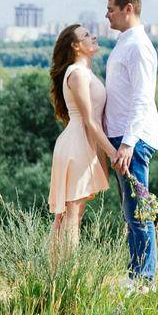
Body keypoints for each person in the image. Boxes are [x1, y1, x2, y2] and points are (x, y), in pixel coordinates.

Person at [102, 0, 158, 288]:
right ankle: (137, 274)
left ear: (128, 9)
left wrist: (127, 144)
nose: (107, 15)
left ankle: (144, 280)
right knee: (130, 211)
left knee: (139, 211)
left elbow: (142, 98)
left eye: (111, 9)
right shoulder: (125, 42)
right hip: (123, 139)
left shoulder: (138, 46)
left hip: (132, 141)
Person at [47, 23, 114, 259]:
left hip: (84, 144)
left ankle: (56, 274)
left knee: (72, 214)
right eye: (86, 35)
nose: (93, 36)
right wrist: (113, 154)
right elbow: (89, 120)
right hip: (77, 145)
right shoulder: (76, 74)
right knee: (71, 214)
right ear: (76, 46)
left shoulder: (84, 72)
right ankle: (66, 275)